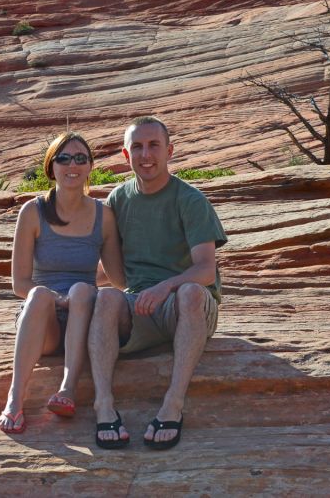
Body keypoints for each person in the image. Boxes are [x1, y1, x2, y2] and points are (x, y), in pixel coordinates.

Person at [88, 116, 227, 449]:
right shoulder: (118, 200)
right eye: (137, 146)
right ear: (125, 154)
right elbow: (108, 269)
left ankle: (173, 404)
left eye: (154, 145)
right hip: (141, 306)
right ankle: (103, 405)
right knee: (105, 299)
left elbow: (206, 270)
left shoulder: (190, 200)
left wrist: (166, 286)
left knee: (191, 291)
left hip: (185, 307)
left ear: (170, 151)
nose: (145, 154)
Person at [0, 132, 124, 434]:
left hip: (84, 318)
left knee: (83, 290)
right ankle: (15, 400)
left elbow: (119, 279)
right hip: (44, 323)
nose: (72, 165)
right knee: (39, 294)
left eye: (81, 158)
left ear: (90, 167)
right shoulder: (32, 212)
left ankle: (67, 390)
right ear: (50, 167)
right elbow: (19, 283)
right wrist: (57, 298)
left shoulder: (103, 216)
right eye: (64, 158)